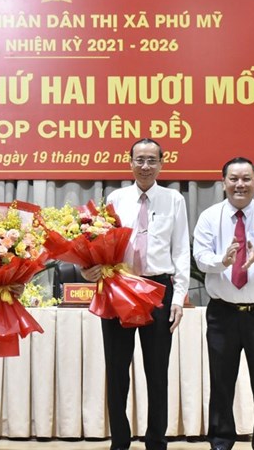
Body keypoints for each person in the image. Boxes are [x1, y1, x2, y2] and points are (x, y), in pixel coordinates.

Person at [81, 138, 190, 450]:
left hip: (158, 290)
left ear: (161, 164)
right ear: (129, 162)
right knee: (117, 370)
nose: (145, 166)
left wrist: (179, 298)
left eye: (151, 160)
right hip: (120, 286)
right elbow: (100, 244)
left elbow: (181, 250)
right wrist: (91, 268)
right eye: (139, 160)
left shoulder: (174, 200)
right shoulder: (116, 198)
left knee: (157, 371)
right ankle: (120, 440)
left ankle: (156, 440)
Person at [192, 157, 254, 450]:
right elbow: (200, 257)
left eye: (246, 179)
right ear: (223, 183)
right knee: (221, 383)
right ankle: (221, 442)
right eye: (233, 179)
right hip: (223, 313)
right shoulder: (209, 216)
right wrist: (222, 262)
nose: (239, 185)